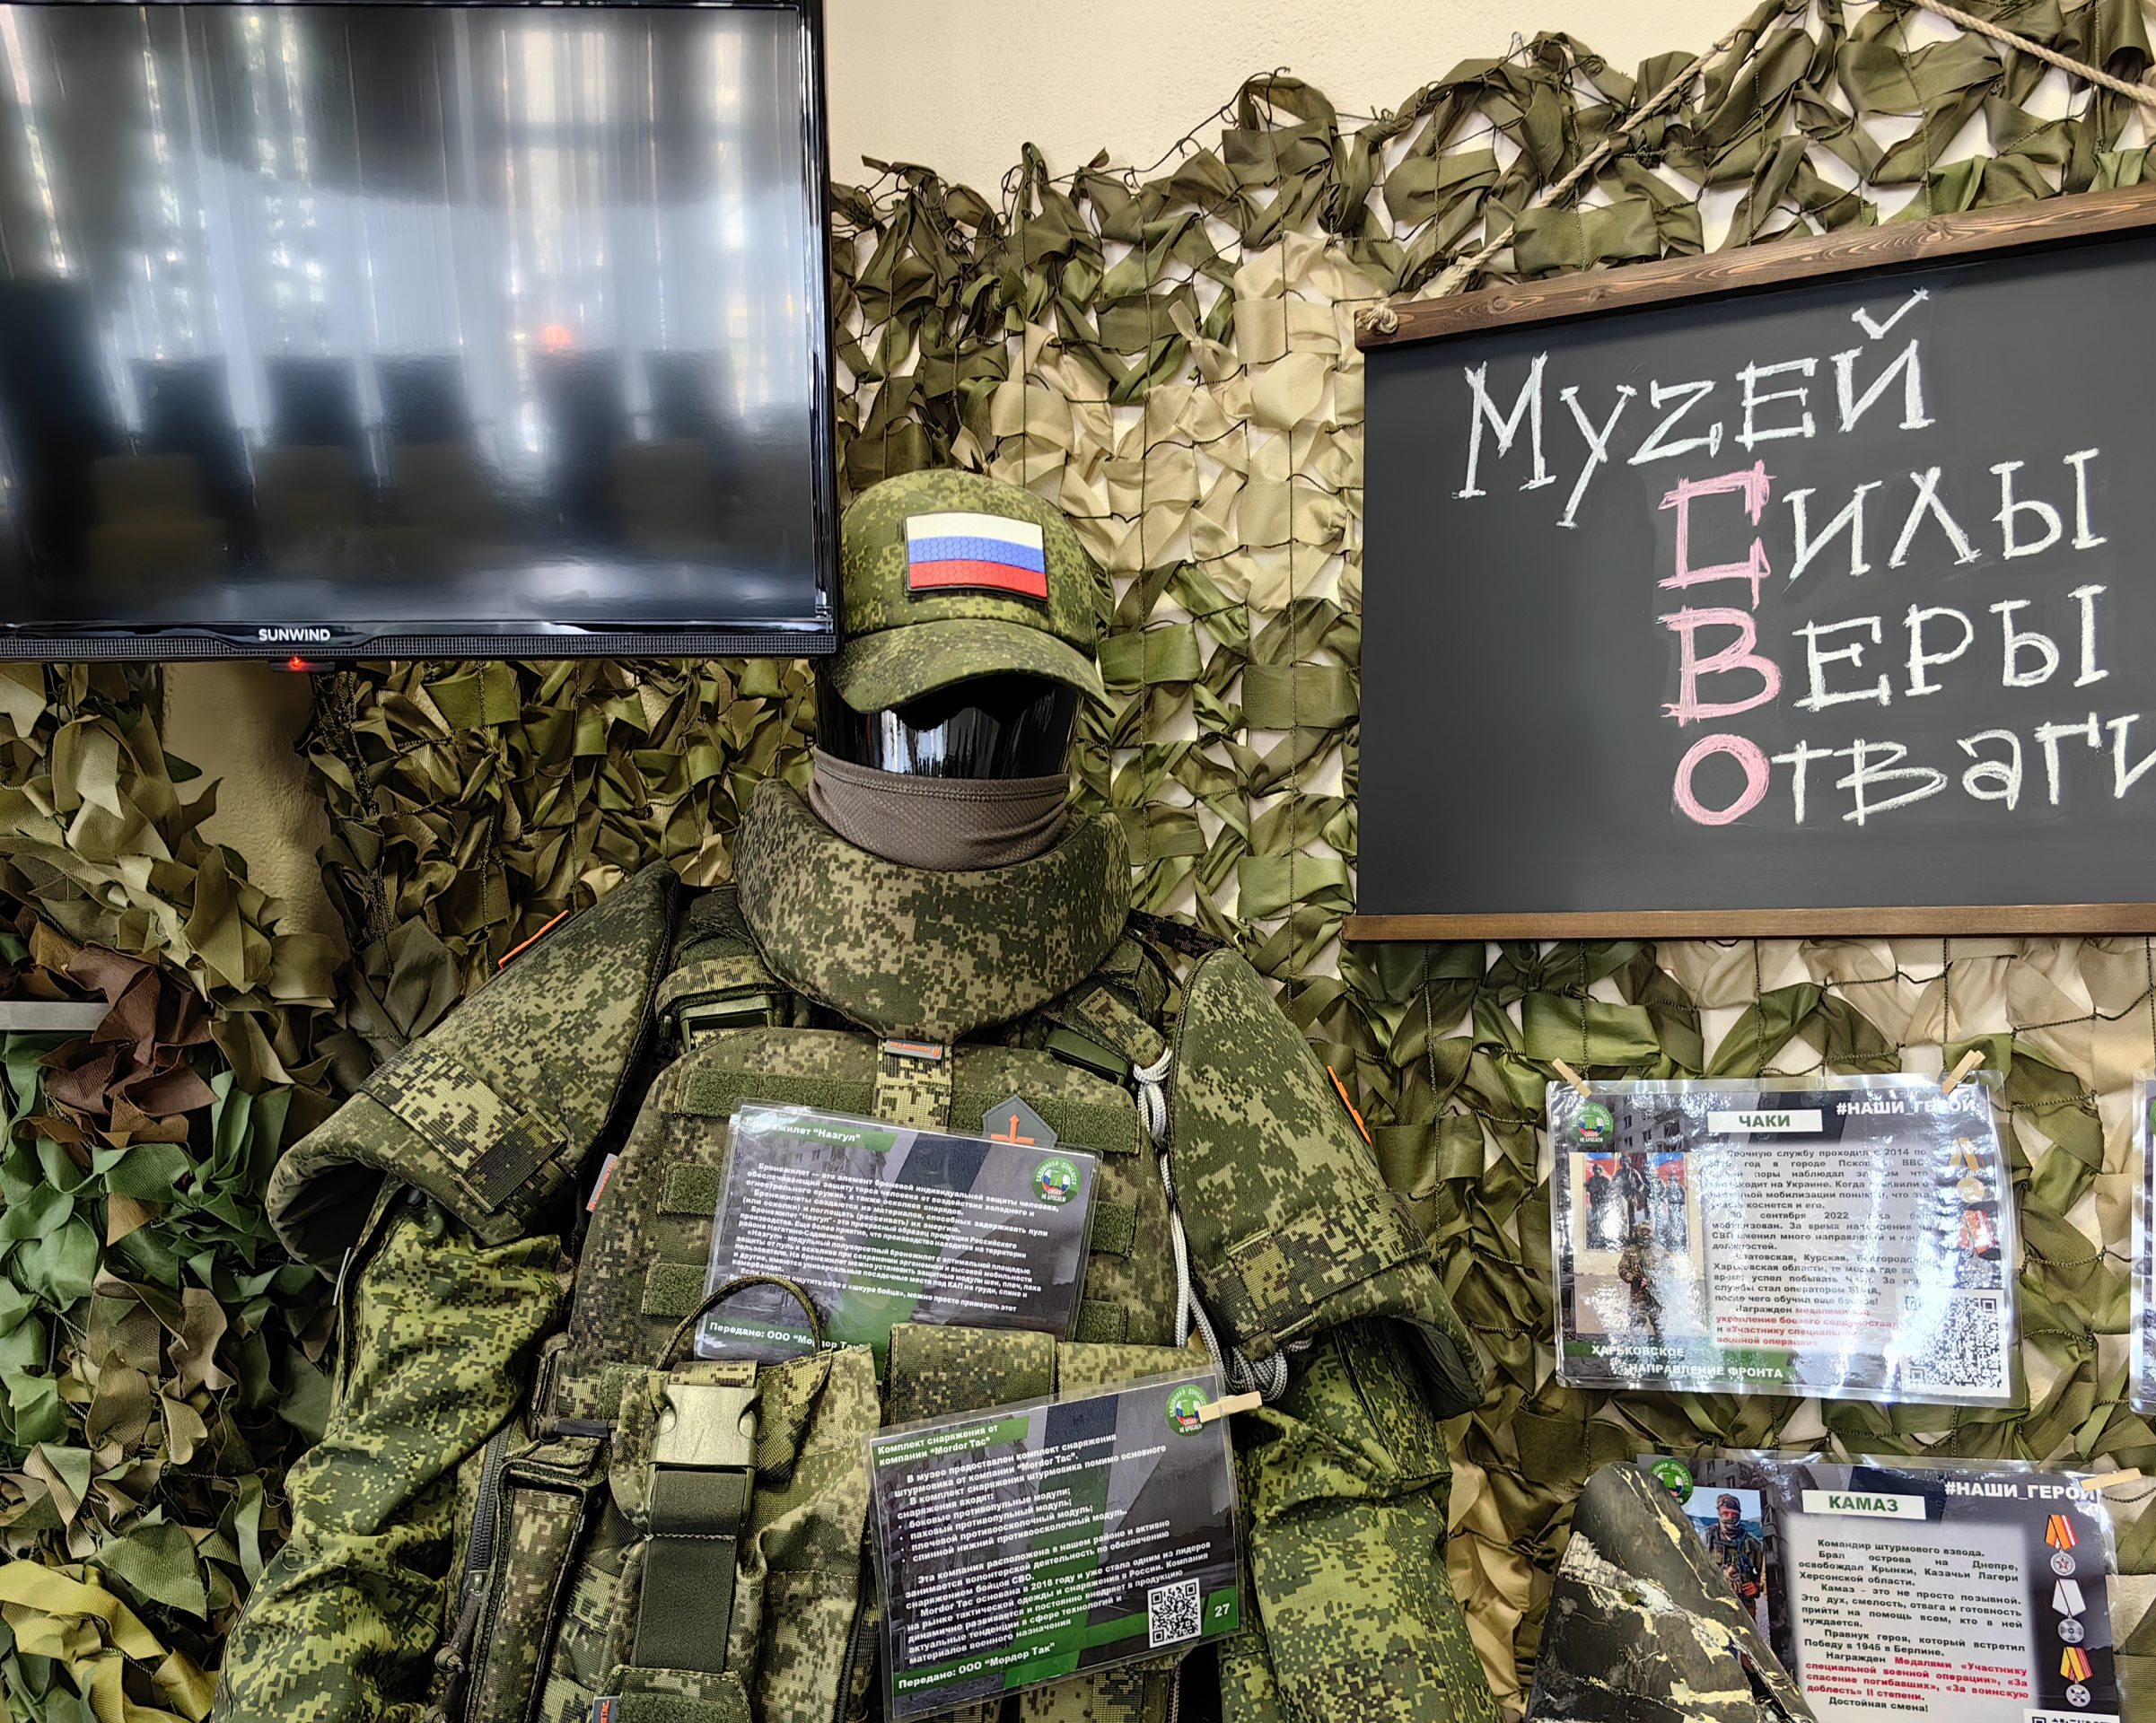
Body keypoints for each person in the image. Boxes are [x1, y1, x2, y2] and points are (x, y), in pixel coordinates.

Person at [219, 470, 1807, 1723]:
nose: (965, 743)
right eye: (916, 698)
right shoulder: (632, 994)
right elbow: (388, 1484)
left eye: (1021, 705)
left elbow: (1346, 1520)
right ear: (823, 694)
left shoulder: (1191, 1030)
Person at [1705, 1494, 1765, 1609]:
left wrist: (1757, 1586)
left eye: (1734, 1514)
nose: (1730, 1517)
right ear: (1719, 1513)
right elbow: (1695, 1570)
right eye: (1725, 1513)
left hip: (1745, 1607)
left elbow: (1766, 1572)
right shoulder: (1706, 1538)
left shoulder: (1752, 1543)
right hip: (1714, 1605)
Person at [1618, 1220, 1667, 1348]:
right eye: (1642, 1231)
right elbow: (1622, 1269)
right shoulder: (1630, 1250)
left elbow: (1669, 1270)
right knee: (1636, 1325)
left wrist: (1654, 1279)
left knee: (1660, 1326)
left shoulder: (1659, 1251)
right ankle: (1635, 1350)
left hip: (1656, 1296)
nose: (1645, 1233)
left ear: (1652, 1233)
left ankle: (1663, 1352)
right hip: (1638, 1295)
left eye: (1647, 1231)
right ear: (1638, 1232)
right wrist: (1635, 1279)